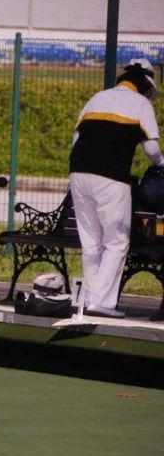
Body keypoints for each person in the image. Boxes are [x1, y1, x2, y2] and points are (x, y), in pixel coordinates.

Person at [69, 59, 164, 319]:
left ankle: (88, 299)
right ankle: (101, 303)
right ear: (145, 85)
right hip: (111, 177)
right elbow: (151, 148)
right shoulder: (141, 104)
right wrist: (161, 164)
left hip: (78, 173)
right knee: (117, 241)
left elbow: (76, 138)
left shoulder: (98, 98)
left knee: (91, 242)